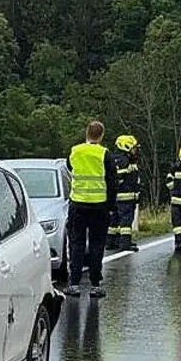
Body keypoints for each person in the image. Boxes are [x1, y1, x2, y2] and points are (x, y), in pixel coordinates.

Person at [64, 120, 118, 298]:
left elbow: (69, 167)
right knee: (97, 244)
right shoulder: (105, 154)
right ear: (101, 135)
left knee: (76, 243)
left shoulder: (75, 151)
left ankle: (74, 283)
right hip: (99, 205)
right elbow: (112, 181)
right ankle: (95, 284)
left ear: (87, 133)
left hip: (78, 203)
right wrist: (111, 206)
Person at [108, 134, 141, 252]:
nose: (135, 151)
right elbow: (124, 178)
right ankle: (125, 243)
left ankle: (111, 241)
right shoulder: (125, 161)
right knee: (126, 221)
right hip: (125, 196)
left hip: (115, 196)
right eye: (133, 148)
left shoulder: (114, 159)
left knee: (114, 221)